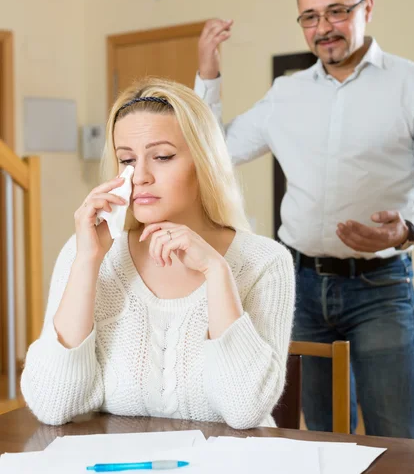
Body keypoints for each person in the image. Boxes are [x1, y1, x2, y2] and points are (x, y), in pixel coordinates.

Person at [194, 0, 414, 439]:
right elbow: (211, 154)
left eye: (338, 11)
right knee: (321, 436)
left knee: (399, 438)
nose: (324, 27)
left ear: (367, 8)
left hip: (381, 288)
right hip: (299, 286)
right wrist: (207, 75)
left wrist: (410, 227)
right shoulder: (286, 94)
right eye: (310, 16)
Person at [21, 78, 295, 428]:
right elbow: (52, 404)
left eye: (162, 157)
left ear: (204, 162)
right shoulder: (86, 252)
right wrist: (87, 262)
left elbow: (245, 411)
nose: (140, 177)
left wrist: (216, 272)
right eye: (126, 160)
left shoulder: (264, 262)